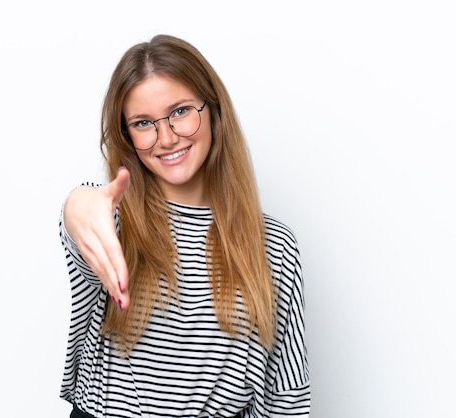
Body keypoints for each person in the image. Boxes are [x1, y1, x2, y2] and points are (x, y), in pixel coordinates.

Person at [58, 34, 310, 418]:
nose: (166, 137)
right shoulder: (113, 223)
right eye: (143, 122)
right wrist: (76, 204)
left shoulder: (274, 245)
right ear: (128, 137)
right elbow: (84, 220)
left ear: (213, 110)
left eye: (179, 112)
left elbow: (285, 396)